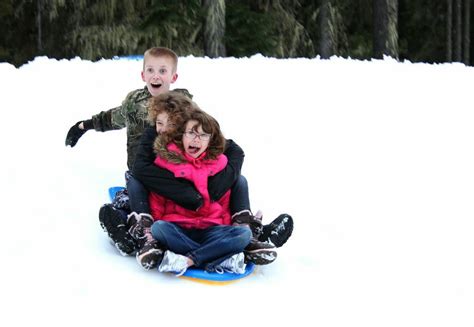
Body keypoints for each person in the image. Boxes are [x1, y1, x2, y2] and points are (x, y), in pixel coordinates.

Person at [64, 46, 293, 257]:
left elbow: (221, 144)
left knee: (235, 184)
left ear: (173, 77)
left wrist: (217, 185)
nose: (156, 76)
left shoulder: (186, 110)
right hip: (148, 179)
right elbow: (111, 120)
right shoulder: (134, 105)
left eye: (162, 71)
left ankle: (251, 232)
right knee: (132, 188)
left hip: (188, 175)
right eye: (151, 70)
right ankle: (136, 234)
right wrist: (84, 126)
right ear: (143, 75)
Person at [136, 99, 260, 274]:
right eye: (191, 134)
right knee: (159, 228)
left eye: (203, 135)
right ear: (182, 136)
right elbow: (158, 197)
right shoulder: (166, 161)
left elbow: (223, 202)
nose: (196, 139)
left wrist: (225, 228)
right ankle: (220, 256)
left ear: (210, 140)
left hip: (211, 228)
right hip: (178, 228)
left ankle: (189, 259)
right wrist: (157, 221)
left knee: (243, 235)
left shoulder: (220, 163)